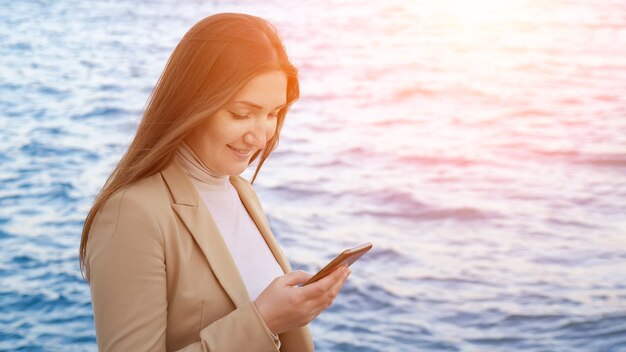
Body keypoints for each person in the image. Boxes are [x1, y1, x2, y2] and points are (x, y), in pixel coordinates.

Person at [78, 13, 350, 351]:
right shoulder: (132, 213)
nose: (260, 135)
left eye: (273, 113)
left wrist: (291, 311)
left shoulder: (239, 190)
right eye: (241, 114)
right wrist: (263, 321)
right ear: (192, 103)